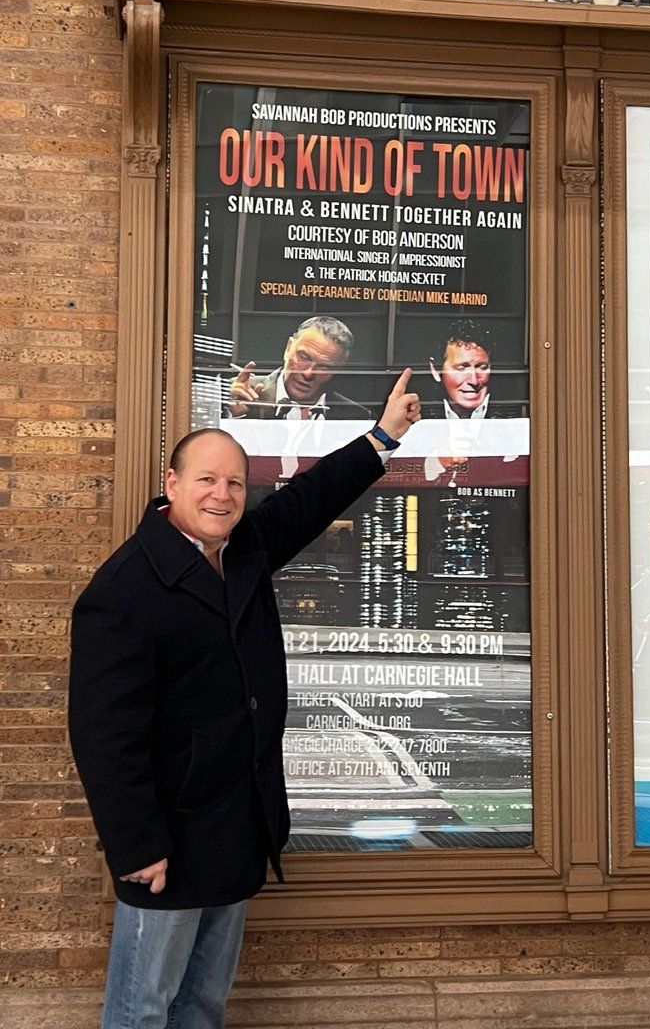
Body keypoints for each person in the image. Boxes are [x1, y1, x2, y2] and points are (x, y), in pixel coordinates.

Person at [69, 372, 420, 1029]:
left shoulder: (242, 551)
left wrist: (383, 437)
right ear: (171, 486)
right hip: (165, 843)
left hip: (233, 828)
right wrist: (137, 845)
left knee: (202, 1006)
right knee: (143, 1011)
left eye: (234, 482)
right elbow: (101, 733)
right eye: (206, 479)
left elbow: (310, 500)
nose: (222, 494)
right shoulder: (124, 589)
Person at [228, 314, 368, 419]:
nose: (308, 373)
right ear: (288, 348)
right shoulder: (235, 394)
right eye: (304, 357)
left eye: (324, 367)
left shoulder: (356, 416)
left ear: (339, 370)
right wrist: (231, 415)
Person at [428, 320, 496, 418]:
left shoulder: (516, 420)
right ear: (435, 370)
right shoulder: (417, 421)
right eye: (462, 368)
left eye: (482, 367)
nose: (474, 381)